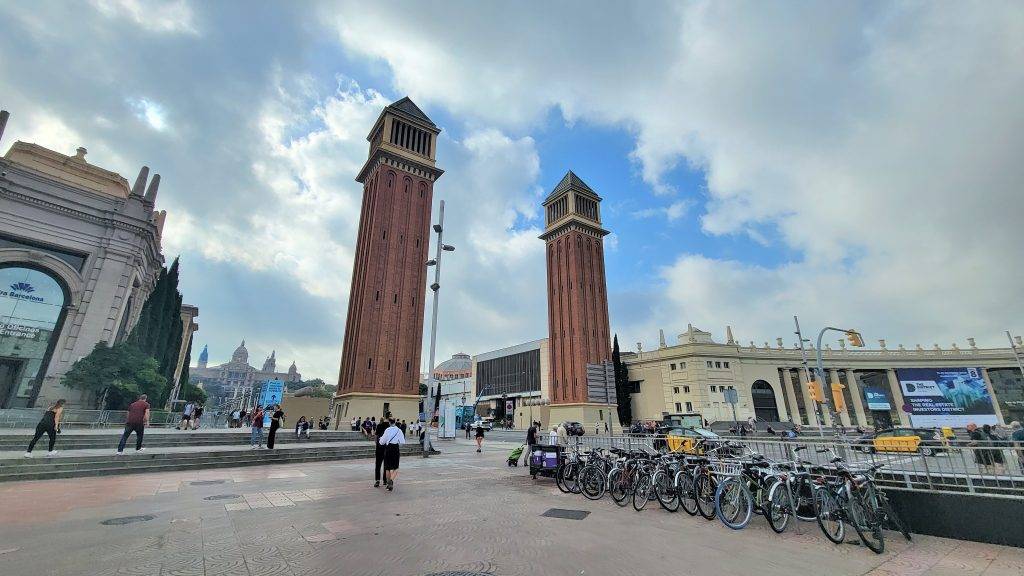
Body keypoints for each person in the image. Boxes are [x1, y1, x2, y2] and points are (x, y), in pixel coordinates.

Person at [379, 417, 406, 491]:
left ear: (389, 423)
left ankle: (388, 484)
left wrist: (380, 439)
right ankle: (391, 481)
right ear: (395, 422)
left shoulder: (387, 430)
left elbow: (381, 442)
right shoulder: (399, 430)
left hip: (388, 448)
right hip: (395, 448)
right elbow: (402, 442)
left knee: (387, 467)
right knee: (396, 467)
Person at [373, 414, 390, 487]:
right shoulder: (390, 427)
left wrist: (377, 444)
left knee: (378, 464)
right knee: (386, 465)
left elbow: (376, 436)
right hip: (387, 448)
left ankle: (377, 480)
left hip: (379, 447)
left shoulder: (379, 425)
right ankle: (385, 481)